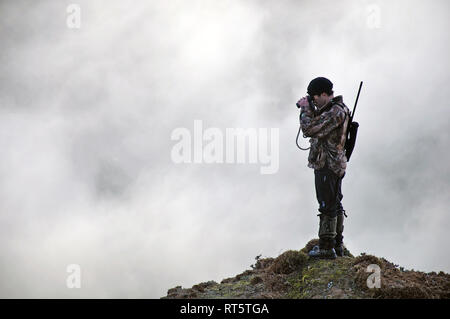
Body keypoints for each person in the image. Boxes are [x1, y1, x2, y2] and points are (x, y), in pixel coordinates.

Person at [296, 77, 350, 259]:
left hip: (328, 163)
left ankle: (327, 247)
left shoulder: (335, 112)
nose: (313, 101)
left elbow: (309, 128)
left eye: (315, 97)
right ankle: (337, 244)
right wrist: (311, 107)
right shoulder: (334, 109)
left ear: (325, 95)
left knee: (327, 204)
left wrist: (305, 109)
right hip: (332, 163)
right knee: (334, 202)